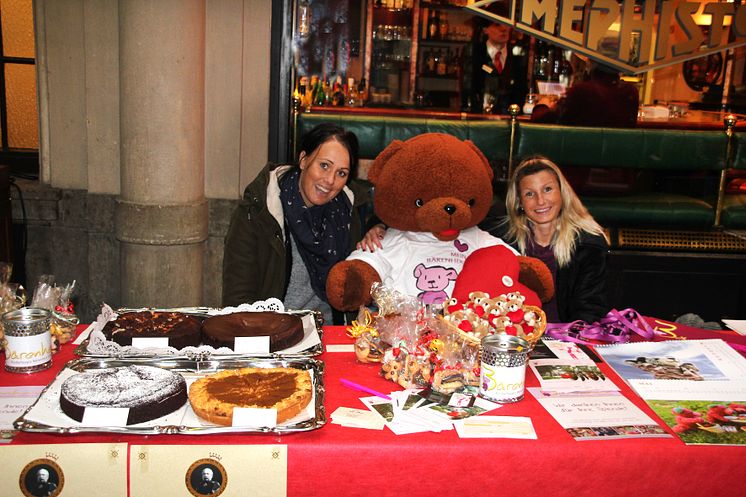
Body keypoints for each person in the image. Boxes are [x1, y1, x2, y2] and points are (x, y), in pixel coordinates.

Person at [222, 123, 369, 324]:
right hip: (274, 336)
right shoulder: (259, 211)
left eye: (341, 173)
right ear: (303, 159)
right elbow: (237, 299)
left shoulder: (349, 210)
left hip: (333, 334)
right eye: (324, 165)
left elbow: (395, 215)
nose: (330, 180)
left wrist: (378, 226)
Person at [488, 156, 610, 323]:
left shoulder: (588, 243)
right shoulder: (501, 240)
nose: (540, 201)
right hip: (514, 337)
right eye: (530, 194)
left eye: (547, 189)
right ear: (519, 202)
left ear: (562, 192)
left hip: (567, 339)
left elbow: (590, 310)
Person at [530, 60, 639, 127]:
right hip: (617, 159)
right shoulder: (631, 92)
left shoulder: (583, 90)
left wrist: (541, 105)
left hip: (578, 158)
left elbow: (547, 121)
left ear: (592, 62)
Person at [471, 21, 528, 115]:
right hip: (479, 118)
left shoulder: (518, 54)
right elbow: (469, 88)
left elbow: (521, 90)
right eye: (497, 24)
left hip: (509, 120)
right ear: (485, 30)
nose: (504, 29)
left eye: (507, 24)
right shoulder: (475, 52)